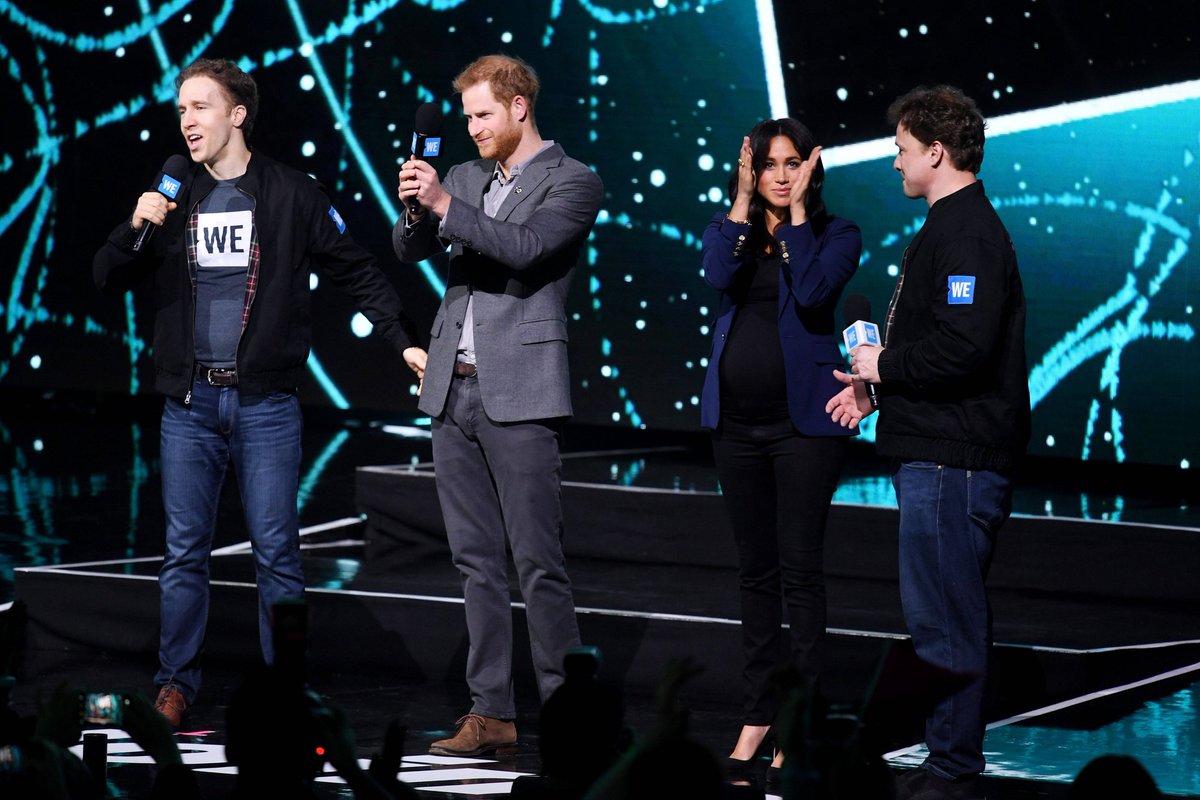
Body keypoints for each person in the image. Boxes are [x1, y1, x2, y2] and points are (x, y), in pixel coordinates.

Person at [93, 58, 425, 728]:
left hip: (264, 405)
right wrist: (136, 226)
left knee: (277, 554)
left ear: (236, 114)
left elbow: (356, 271)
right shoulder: (173, 192)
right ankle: (175, 685)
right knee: (184, 552)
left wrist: (403, 341)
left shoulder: (291, 193)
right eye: (181, 108)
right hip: (188, 406)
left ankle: (284, 694)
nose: (186, 121)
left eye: (200, 107)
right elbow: (105, 278)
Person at [391, 54, 603, 756]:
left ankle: (569, 716)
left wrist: (450, 208)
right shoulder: (462, 176)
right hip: (454, 388)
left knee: (538, 560)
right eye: (466, 118)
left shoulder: (573, 181)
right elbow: (409, 246)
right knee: (474, 560)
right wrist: (418, 204)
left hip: (523, 389)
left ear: (518, 107)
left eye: (483, 115)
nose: (473, 129)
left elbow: (526, 249)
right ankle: (492, 714)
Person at [826, 85, 1030, 800]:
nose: (895, 165)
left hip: (954, 459)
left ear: (936, 152)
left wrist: (887, 366)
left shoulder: (967, 233)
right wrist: (876, 388)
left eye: (902, 152)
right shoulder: (948, 228)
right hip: (937, 449)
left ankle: (950, 771)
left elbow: (963, 348)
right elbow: (941, 346)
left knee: (945, 616)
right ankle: (947, 763)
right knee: (936, 614)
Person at [699, 118, 862, 781]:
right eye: (769, 164)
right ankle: (758, 711)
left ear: (810, 170)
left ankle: (801, 716)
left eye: (793, 163)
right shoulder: (729, 231)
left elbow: (818, 292)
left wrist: (794, 217)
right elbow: (715, 274)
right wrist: (741, 203)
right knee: (754, 573)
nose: (781, 173)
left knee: (800, 572)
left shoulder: (835, 234)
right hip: (736, 426)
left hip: (803, 430)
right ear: (752, 171)